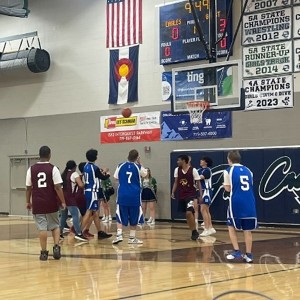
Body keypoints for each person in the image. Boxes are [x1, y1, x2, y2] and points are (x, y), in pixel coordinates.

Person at [25, 146, 66, 261]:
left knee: (42, 228)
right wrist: (63, 201)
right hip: (51, 202)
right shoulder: (53, 168)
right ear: (49, 155)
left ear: (39, 155)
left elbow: (28, 188)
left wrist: (28, 201)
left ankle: (43, 253)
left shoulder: (31, 169)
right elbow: (58, 187)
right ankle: (56, 247)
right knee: (55, 226)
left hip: (38, 202)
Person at [223, 150, 257, 263]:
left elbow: (228, 188)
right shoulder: (249, 171)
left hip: (236, 201)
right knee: (247, 230)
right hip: (250, 202)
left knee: (231, 225)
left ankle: (237, 251)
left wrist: (224, 185)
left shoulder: (228, 171)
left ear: (229, 159)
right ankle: (249, 255)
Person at [112, 149, 147, 245]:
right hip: (134, 195)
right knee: (134, 216)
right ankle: (132, 237)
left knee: (119, 214)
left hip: (122, 194)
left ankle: (119, 235)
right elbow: (145, 174)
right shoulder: (138, 166)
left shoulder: (120, 165)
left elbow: (115, 178)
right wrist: (140, 163)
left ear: (128, 156)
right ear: (137, 157)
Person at [81, 149, 112, 240]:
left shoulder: (86, 166)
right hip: (92, 192)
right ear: (95, 157)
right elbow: (102, 177)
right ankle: (79, 232)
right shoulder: (94, 167)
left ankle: (100, 232)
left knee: (96, 213)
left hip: (88, 191)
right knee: (89, 211)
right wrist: (107, 173)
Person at [171, 154, 202, 240]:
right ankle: (193, 231)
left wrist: (200, 194)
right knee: (187, 215)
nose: (177, 162)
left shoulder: (193, 170)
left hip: (191, 195)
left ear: (184, 161)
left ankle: (194, 231)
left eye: (178, 160)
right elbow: (176, 182)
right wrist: (173, 191)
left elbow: (198, 183)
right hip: (181, 195)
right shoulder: (177, 170)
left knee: (189, 212)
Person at [59, 160, 88, 242]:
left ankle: (60, 233)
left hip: (62, 198)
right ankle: (78, 233)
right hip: (70, 197)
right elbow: (81, 185)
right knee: (75, 215)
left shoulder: (63, 174)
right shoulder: (74, 174)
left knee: (63, 216)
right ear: (74, 167)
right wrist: (87, 184)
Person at [198, 157, 216, 237]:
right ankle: (211, 227)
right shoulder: (199, 170)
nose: (200, 161)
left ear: (206, 162)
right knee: (206, 210)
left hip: (206, 191)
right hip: (201, 191)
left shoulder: (207, 170)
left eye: (202, 160)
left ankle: (206, 228)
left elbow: (199, 177)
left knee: (203, 209)